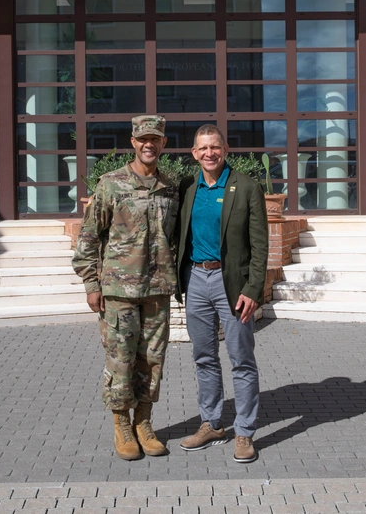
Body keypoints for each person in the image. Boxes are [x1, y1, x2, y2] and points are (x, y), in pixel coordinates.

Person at [71, 115, 180, 461]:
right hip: (118, 291)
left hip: (157, 291)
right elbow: (88, 238)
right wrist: (91, 283)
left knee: (152, 361)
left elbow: (176, 238)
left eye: (156, 139)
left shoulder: (170, 187)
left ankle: (144, 423)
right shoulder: (111, 185)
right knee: (121, 361)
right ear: (133, 142)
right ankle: (121, 424)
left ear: (163, 143)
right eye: (143, 138)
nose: (149, 144)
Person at [175, 124, 268, 463]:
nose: (209, 153)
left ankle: (244, 432)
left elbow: (260, 245)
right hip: (197, 280)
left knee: (241, 359)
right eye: (203, 148)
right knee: (204, 357)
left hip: (233, 285)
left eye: (215, 146)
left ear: (226, 149)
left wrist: (253, 289)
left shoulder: (246, 187)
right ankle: (212, 423)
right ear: (194, 153)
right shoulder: (188, 187)